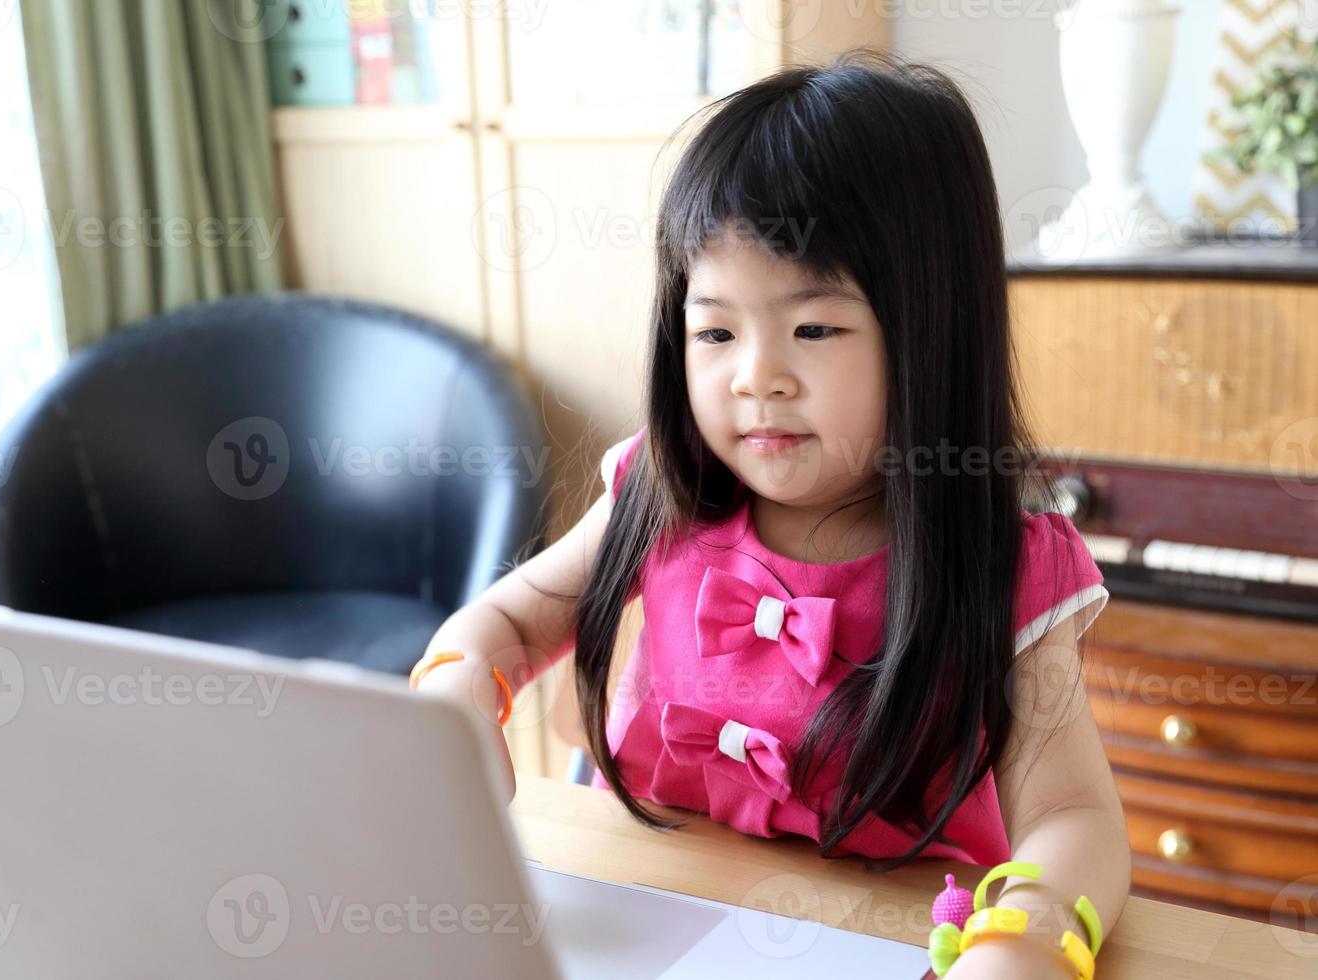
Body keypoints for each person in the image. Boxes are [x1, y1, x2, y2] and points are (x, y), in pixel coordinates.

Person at [411, 48, 1130, 979]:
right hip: (649, 912)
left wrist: (1026, 941)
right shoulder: (663, 489)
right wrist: (460, 685)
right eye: (714, 330)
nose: (755, 376)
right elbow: (508, 620)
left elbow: (1075, 818)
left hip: (886, 941)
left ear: (932, 333)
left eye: (814, 329)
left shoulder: (1009, 566)